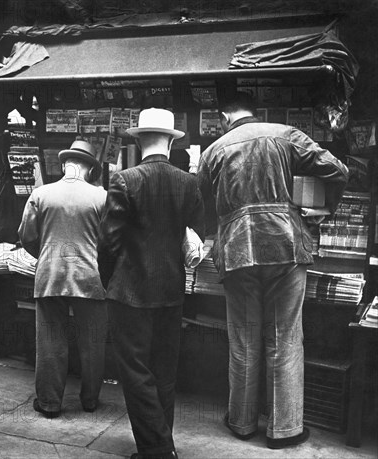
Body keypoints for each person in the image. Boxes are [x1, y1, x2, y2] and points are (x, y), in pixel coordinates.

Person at [196, 93, 349, 449]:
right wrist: (325, 208)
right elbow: (338, 170)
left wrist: (214, 233)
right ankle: (285, 429)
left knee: (244, 338)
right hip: (286, 246)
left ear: (224, 117)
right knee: (285, 338)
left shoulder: (213, 150)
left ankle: (242, 422)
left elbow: (198, 201)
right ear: (255, 111)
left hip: (236, 251)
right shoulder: (286, 135)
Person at [98, 108, 205, 459]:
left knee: (135, 373)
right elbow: (195, 233)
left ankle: (158, 451)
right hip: (171, 290)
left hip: (129, 292)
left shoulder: (125, 180)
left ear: (139, 139)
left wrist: (108, 281)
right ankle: (159, 444)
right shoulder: (188, 183)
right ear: (171, 142)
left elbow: (108, 243)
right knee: (163, 373)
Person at [18, 139, 108, 418]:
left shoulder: (41, 194)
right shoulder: (102, 197)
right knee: (92, 341)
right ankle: (90, 400)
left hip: (50, 275)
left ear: (64, 165)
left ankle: (49, 403)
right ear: (91, 169)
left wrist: (47, 254)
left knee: (50, 341)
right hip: (89, 277)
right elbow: (109, 242)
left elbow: (27, 237)